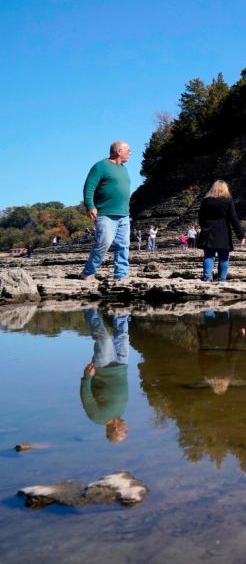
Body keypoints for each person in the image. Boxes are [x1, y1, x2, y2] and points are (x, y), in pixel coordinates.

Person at [77, 141, 132, 281]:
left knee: (124, 245)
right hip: (105, 213)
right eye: (128, 150)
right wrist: (90, 205)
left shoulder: (124, 169)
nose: (130, 153)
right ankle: (88, 272)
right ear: (119, 151)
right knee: (103, 243)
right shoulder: (100, 166)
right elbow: (89, 187)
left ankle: (121, 275)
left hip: (124, 214)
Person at [80, 308, 130, 444]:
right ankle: (121, 306)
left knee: (104, 338)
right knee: (123, 335)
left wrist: (87, 377)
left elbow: (86, 397)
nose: (127, 428)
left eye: (125, 431)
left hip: (103, 366)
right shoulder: (119, 413)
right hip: (122, 365)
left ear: (115, 430)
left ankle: (88, 305)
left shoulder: (97, 417)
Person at [196, 179, 246, 282]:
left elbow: (200, 217)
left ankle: (207, 277)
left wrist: (204, 227)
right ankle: (222, 279)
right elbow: (233, 218)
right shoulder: (228, 201)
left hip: (208, 232)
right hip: (223, 233)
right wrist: (240, 235)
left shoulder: (206, 201)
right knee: (224, 257)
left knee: (208, 256)